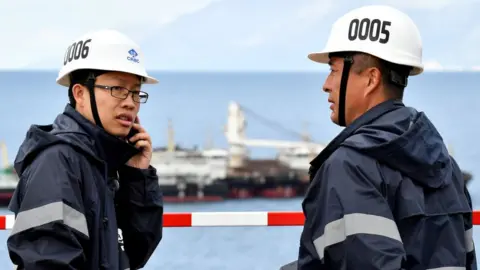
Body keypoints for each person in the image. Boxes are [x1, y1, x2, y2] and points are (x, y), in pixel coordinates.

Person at [291, 5, 476, 270]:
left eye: (333, 70)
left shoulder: (348, 167)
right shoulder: (446, 166)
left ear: (371, 79)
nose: (326, 84)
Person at [6, 29, 164, 269]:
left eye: (135, 91)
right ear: (80, 93)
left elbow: (135, 253)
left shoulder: (101, 161)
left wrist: (137, 177)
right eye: (118, 89)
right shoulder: (57, 163)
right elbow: (48, 263)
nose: (130, 102)